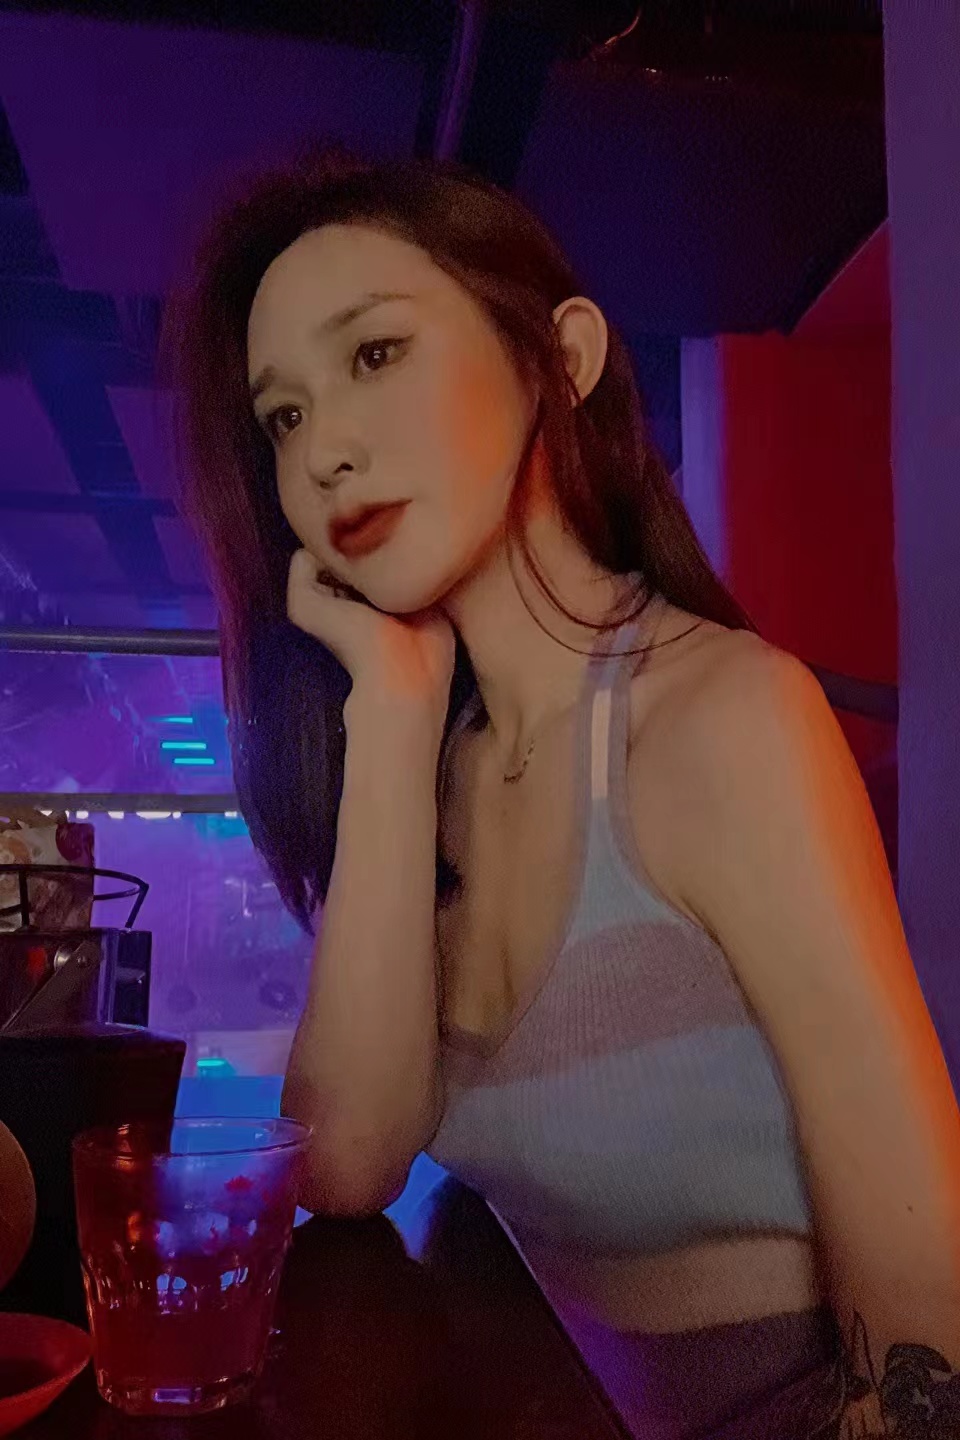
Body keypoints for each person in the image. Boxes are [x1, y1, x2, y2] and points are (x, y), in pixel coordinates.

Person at [168, 144, 960, 1439]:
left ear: (561, 358)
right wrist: (396, 710)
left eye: (374, 354)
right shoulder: (432, 770)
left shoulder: (721, 719)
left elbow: (930, 1311)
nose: (323, 453)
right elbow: (348, 1161)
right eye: (284, 418)